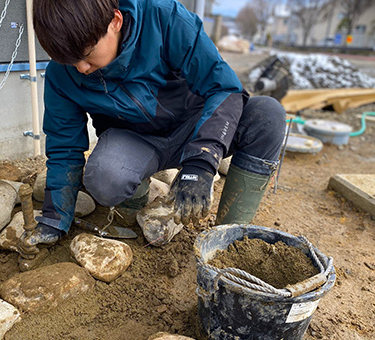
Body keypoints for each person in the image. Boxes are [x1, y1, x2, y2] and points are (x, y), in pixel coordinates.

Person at [23, 0, 286, 247]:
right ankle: (135, 204)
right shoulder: (62, 75)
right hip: (138, 140)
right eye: (70, 61)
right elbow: (64, 147)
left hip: (196, 125)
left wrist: (201, 162)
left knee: (267, 115)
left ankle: (231, 239)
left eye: (88, 55)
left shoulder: (163, 18)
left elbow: (223, 88)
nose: (81, 68)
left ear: (115, 21)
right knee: (104, 177)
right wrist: (54, 219)